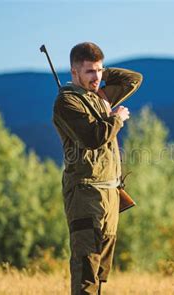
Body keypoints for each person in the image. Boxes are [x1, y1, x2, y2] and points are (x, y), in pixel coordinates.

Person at [52, 42, 142, 294]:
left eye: (99, 71)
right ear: (74, 73)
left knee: (100, 272)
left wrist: (102, 72)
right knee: (86, 270)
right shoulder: (67, 104)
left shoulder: (99, 97)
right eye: (89, 71)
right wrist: (116, 118)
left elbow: (134, 79)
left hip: (110, 195)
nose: (97, 77)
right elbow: (93, 138)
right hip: (85, 195)